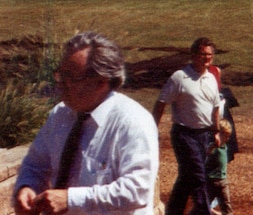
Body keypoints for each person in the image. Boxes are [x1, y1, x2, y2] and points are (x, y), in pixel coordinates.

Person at [13, 31, 159, 215]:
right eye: (60, 75)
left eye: (71, 78)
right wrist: (27, 186)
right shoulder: (60, 114)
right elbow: (36, 163)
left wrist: (71, 200)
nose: (60, 83)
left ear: (101, 81)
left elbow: (137, 191)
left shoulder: (132, 121)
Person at [153, 37, 222, 215]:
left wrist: (215, 132)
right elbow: (161, 103)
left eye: (210, 55)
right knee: (198, 176)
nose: (206, 58)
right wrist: (152, 129)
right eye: (202, 54)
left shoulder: (211, 78)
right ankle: (203, 211)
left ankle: (173, 212)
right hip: (184, 134)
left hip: (203, 135)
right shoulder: (179, 77)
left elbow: (215, 107)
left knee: (186, 177)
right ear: (193, 55)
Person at [206, 119, 234, 215]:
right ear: (218, 134)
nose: (227, 139)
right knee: (203, 206)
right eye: (225, 136)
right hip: (210, 181)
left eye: (228, 136)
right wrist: (214, 144)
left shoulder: (224, 146)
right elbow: (207, 152)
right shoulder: (212, 146)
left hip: (222, 181)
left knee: (227, 206)